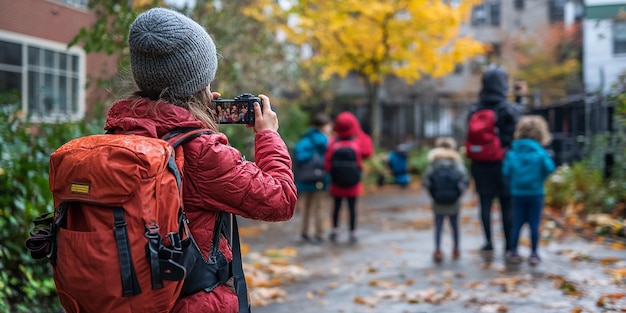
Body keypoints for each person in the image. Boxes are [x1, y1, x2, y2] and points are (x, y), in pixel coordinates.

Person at [105, 8, 297, 313]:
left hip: (128, 299)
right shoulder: (201, 151)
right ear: (198, 81)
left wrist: (197, 123)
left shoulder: (118, 134)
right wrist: (268, 135)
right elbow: (281, 199)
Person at [467, 66, 522, 256]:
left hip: (480, 165)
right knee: (507, 204)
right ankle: (509, 246)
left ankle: (488, 242)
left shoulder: (475, 109)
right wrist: (520, 98)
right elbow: (518, 131)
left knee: (485, 203)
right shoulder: (508, 109)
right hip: (503, 163)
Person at [502, 115, 555, 265]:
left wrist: (514, 181)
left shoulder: (512, 152)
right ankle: (533, 253)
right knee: (534, 223)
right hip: (536, 192)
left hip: (517, 193)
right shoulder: (540, 153)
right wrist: (540, 178)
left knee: (517, 222)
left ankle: (513, 251)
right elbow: (549, 168)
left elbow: (506, 171)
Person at [325, 112, 374, 243]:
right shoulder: (356, 143)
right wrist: (358, 130)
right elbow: (368, 152)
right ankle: (352, 232)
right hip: (353, 183)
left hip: (337, 182)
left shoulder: (333, 142)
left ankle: (335, 230)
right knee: (352, 209)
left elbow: (327, 163)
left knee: (336, 207)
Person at [422, 137, 469, 262]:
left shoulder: (434, 162)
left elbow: (426, 180)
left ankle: (438, 250)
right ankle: (456, 249)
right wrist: (458, 193)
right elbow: (464, 179)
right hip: (454, 199)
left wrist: (433, 194)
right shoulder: (456, 161)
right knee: (454, 225)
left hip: (438, 199)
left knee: (438, 225)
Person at [293, 112, 333, 243]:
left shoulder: (304, 140)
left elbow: (298, 158)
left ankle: (304, 232)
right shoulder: (326, 141)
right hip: (320, 178)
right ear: (323, 126)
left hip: (304, 179)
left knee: (306, 208)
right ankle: (319, 234)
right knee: (320, 207)